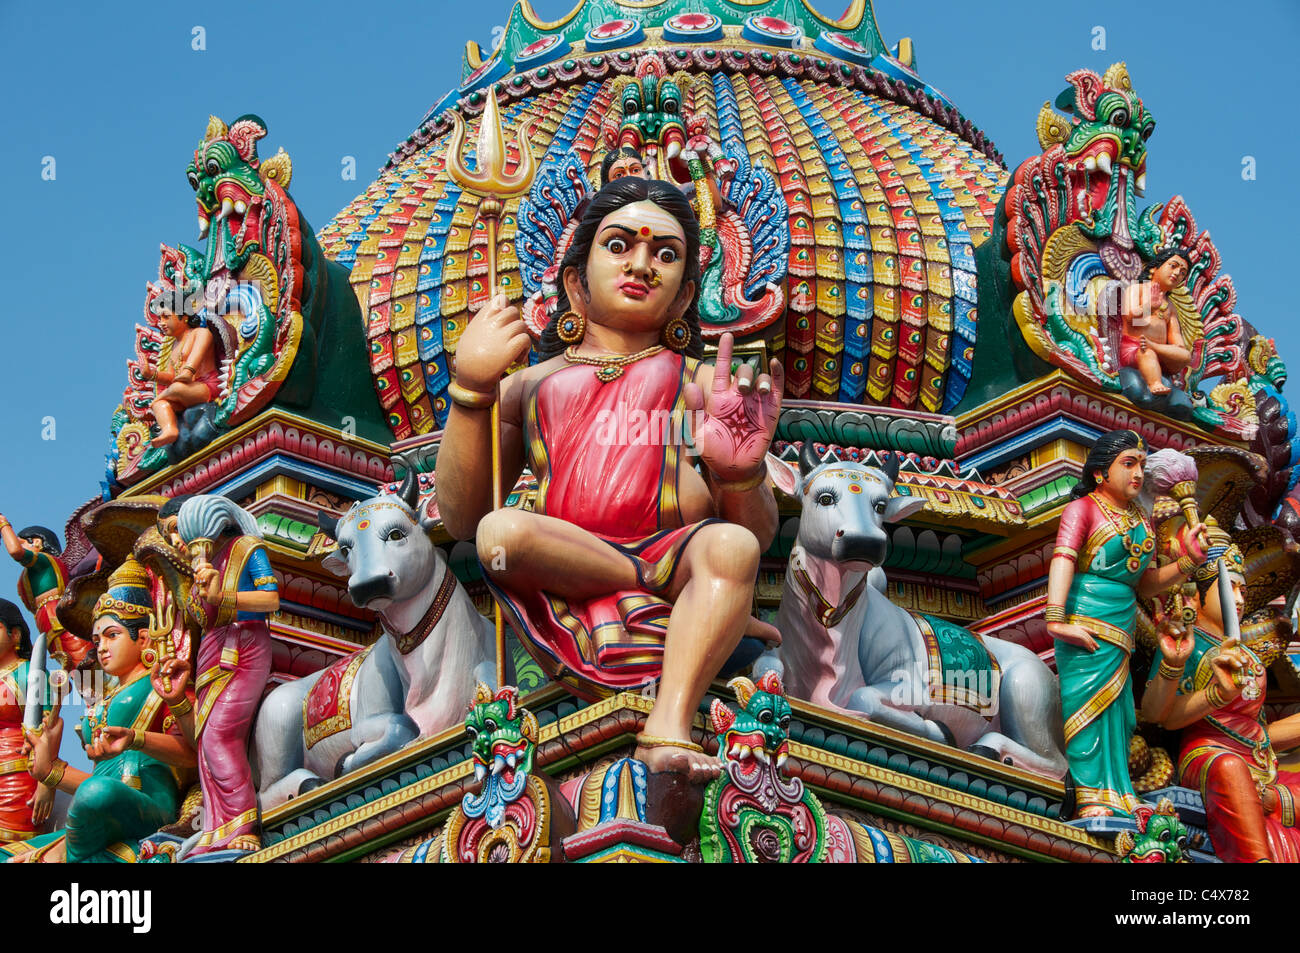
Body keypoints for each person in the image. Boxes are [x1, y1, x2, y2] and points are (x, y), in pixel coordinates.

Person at [437, 176, 782, 782]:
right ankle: (657, 587)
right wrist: (469, 389)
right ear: (576, 279)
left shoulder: (701, 382)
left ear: (682, 299)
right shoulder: (529, 385)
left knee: (733, 545)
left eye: (666, 255)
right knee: (500, 533)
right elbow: (462, 518)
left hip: (676, 546)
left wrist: (740, 472)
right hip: (565, 560)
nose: (642, 265)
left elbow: (759, 535)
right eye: (620, 245)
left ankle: (668, 725)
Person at [1045, 429, 1206, 817]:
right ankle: (1090, 795)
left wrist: (1188, 562)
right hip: (1085, 619)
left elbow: (1145, 584)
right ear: (1101, 473)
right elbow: (1063, 559)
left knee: (1118, 714)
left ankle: (1118, 793)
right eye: (1128, 463)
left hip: (1122, 626)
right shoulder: (1082, 509)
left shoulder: (1141, 519)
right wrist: (1055, 618)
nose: (1138, 473)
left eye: (1142, 465)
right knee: (1087, 707)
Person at [5, 559, 194, 863]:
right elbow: (95, 783)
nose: (102, 647)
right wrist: (50, 771)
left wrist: (136, 738)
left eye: (112, 635)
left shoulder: (161, 682)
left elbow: (195, 754)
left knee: (97, 794)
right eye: (96, 640)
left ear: (143, 638)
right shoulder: (104, 699)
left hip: (147, 805)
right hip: (99, 810)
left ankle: (64, 856)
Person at [1142, 538, 1300, 861]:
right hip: (1209, 753)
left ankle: (1269, 802)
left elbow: (1261, 734)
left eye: (1243, 590)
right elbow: (1161, 715)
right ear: (1199, 593)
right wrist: (1210, 692)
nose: (1240, 599)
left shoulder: (1244, 651)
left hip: (1261, 761)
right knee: (1230, 768)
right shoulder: (1187, 641)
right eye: (1231, 588)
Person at [173, 494, 277, 856]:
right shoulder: (204, 565)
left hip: (245, 643)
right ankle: (217, 828)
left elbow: (271, 600)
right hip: (213, 652)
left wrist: (224, 596)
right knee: (204, 744)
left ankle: (244, 822)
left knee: (220, 736)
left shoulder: (247, 547)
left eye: (177, 533)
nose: (178, 543)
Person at [0, 515, 91, 672]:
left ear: (37, 542)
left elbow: (16, 551)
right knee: (73, 670)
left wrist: (3, 524)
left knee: (84, 666)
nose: (17, 543)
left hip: (59, 618)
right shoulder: (27, 576)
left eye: (22, 541)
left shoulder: (44, 561)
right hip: (46, 622)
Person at [0, 600, 53, 843]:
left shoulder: (27, 674)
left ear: (16, 635)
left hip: (16, 777)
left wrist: (48, 782)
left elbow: (49, 728)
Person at [1119, 247, 1193, 396]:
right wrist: (1149, 307)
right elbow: (1130, 316)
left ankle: (1154, 347)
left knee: (1185, 355)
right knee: (1147, 353)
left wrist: (1174, 351)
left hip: (1158, 351)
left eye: (1183, 273)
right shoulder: (1137, 289)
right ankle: (1155, 384)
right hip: (1135, 348)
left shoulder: (1170, 307)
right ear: (1155, 268)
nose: (1177, 273)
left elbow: (1177, 341)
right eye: (1173, 266)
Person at [142, 307, 219, 447]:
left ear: (184, 316)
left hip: (206, 386)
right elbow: (172, 377)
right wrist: (151, 374)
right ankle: (169, 430)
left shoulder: (201, 333)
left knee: (175, 389)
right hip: (186, 391)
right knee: (161, 404)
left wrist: (186, 375)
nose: (162, 323)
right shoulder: (174, 348)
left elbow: (189, 369)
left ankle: (158, 402)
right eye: (159, 319)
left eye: (166, 317)